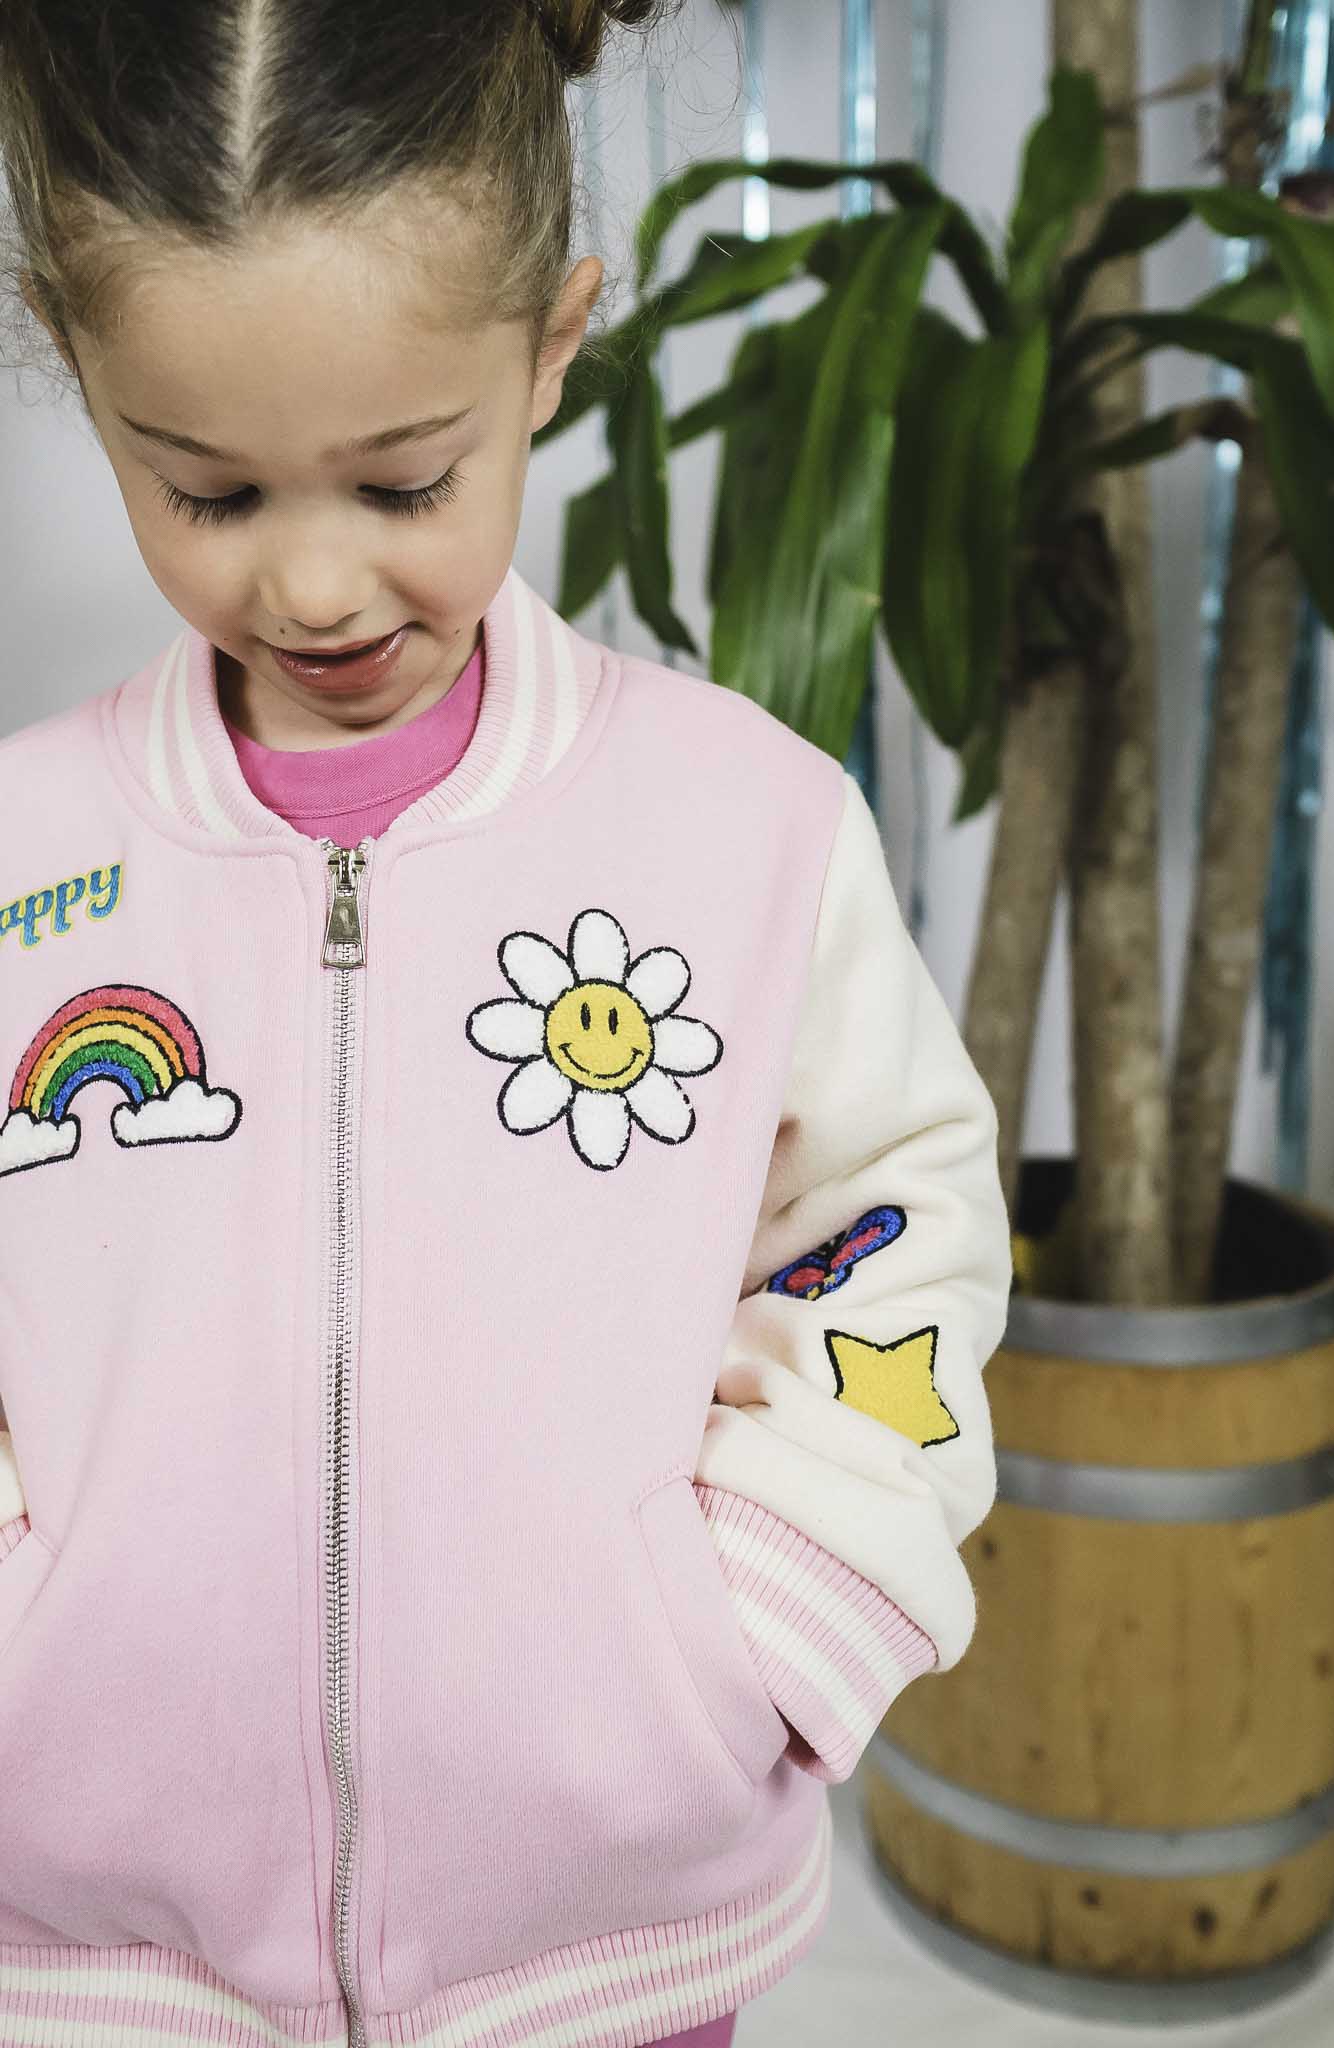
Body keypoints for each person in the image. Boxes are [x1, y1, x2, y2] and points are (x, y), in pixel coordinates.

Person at [0, 3, 1015, 2044]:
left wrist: (767, 1629)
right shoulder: (23, 858)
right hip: (107, 1960)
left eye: (405, 480)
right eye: (209, 493)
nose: (313, 585)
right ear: (83, 377)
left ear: (552, 346)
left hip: (612, 1940)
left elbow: (891, 1218)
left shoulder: (742, 833)